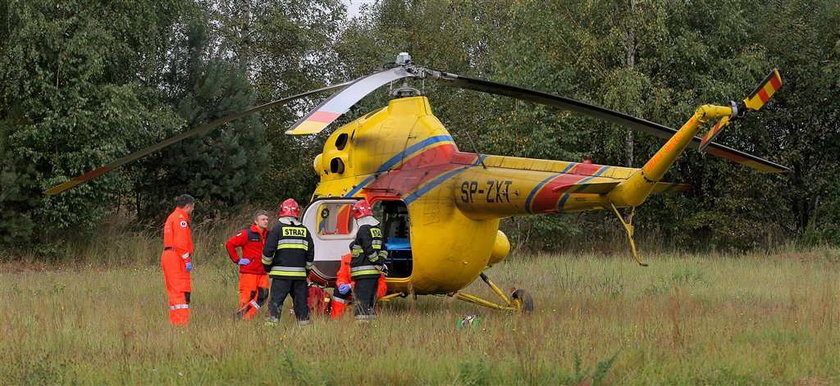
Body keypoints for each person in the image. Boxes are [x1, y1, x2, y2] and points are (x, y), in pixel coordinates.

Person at [261, 198, 315, 325]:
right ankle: (305, 331)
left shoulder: (277, 229)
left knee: (276, 303)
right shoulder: (304, 231)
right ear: (297, 212)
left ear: (282, 211)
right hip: (300, 277)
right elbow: (310, 254)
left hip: (281, 277)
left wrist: (267, 267)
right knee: (301, 304)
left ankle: (272, 328)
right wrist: (306, 271)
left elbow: (268, 252)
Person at [225, 210, 271, 320]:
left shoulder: (269, 234)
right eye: (263, 219)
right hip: (249, 272)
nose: (266, 221)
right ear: (256, 221)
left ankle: (241, 317)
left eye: (267, 219)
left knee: (263, 296)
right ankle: (243, 321)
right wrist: (237, 260)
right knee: (247, 297)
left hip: (263, 271)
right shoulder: (247, 233)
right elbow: (230, 244)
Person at [347, 199, 388, 320]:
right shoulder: (377, 230)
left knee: (361, 303)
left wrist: (376, 261)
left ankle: (361, 327)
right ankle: (370, 323)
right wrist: (380, 262)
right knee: (371, 302)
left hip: (363, 273)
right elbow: (384, 249)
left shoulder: (363, 229)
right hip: (374, 273)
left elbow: (368, 248)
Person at [161, 194, 195, 326]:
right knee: (180, 291)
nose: (192, 211)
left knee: (175, 291)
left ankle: (176, 322)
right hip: (176, 257)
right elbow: (181, 242)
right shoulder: (180, 219)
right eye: (192, 208)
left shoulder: (172, 217)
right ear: (188, 206)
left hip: (170, 256)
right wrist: (186, 260)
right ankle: (181, 323)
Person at [330, 252, 387, 319]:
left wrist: (350, 286)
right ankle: (336, 318)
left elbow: (367, 280)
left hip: (373, 286)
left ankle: (365, 316)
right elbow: (342, 275)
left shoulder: (371, 259)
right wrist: (341, 284)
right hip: (355, 287)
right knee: (338, 291)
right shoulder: (347, 258)